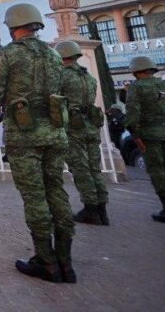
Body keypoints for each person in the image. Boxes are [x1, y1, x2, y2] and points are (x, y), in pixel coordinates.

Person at [0, 3, 75, 284]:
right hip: (54, 132)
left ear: (14, 27)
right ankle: (65, 261)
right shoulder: (53, 54)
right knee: (57, 193)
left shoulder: (9, 54)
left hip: (25, 135)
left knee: (35, 197)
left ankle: (46, 262)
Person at [125, 55, 165, 225]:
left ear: (136, 72)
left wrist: (135, 135)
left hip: (148, 135)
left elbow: (132, 114)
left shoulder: (136, 88)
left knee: (157, 172)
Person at [54, 40, 109, 226]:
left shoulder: (62, 77)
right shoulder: (89, 77)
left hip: (74, 127)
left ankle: (91, 209)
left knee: (80, 167)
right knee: (95, 167)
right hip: (91, 126)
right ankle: (102, 209)